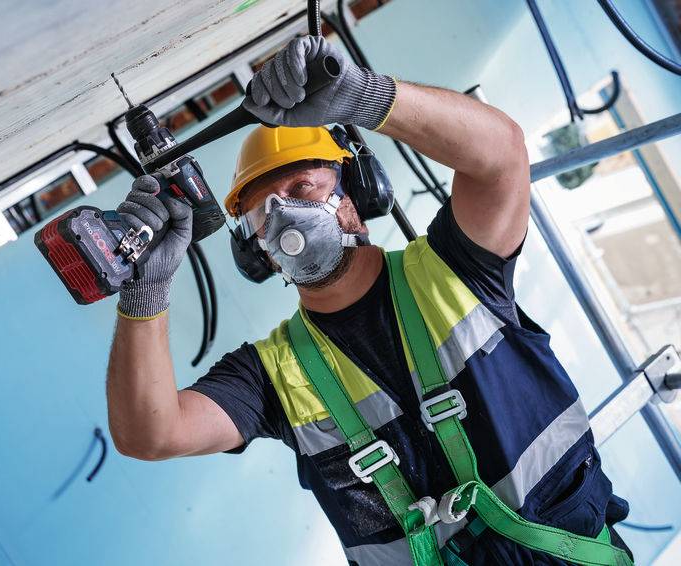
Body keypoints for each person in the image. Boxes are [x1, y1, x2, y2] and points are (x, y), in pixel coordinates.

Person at [106, 36, 632, 565]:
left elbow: (502, 156)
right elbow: (151, 432)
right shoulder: (270, 378)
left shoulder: (455, 269)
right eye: (265, 212)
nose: (287, 217)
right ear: (256, 250)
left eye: (305, 187)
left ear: (355, 191)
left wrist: (363, 96)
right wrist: (145, 290)